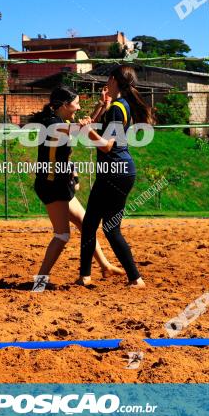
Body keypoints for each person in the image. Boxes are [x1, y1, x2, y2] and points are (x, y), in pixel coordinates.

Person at [30, 86, 124, 286]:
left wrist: (100, 106)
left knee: (85, 223)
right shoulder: (52, 124)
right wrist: (96, 114)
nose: (79, 106)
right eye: (77, 103)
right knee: (62, 235)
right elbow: (80, 129)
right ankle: (39, 282)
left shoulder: (62, 120)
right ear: (65, 105)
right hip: (51, 185)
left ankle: (105, 267)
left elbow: (83, 127)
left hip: (60, 182)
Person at [78, 65, 155, 288]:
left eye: (108, 80)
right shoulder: (122, 106)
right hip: (121, 171)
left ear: (113, 80)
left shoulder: (116, 109)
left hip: (113, 171)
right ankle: (91, 276)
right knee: (99, 225)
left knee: (99, 226)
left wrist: (86, 131)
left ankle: (132, 277)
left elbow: (106, 145)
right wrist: (102, 106)